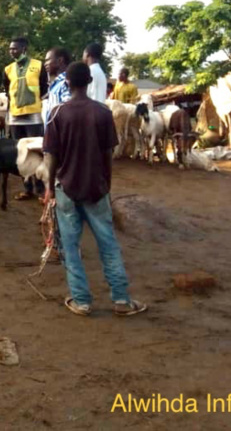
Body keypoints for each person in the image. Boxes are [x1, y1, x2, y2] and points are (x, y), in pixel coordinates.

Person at [43, 62, 147, 317]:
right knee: (108, 244)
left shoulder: (57, 113)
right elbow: (107, 155)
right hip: (97, 188)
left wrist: (48, 187)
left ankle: (81, 301)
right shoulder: (102, 113)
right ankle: (121, 300)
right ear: (89, 81)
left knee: (70, 246)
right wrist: (106, 185)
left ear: (67, 83)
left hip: (65, 188)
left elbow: (50, 158)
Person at [3, 37, 48, 200]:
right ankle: (27, 189)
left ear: (24, 49)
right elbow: (7, 91)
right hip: (15, 118)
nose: (12, 51)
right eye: (10, 49)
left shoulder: (38, 66)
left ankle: (41, 189)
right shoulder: (8, 69)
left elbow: (44, 88)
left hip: (34, 118)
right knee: (21, 154)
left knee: (37, 153)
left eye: (15, 48)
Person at [42, 47, 72, 126]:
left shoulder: (65, 83)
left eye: (48, 60)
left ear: (60, 60)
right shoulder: (56, 84)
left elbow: (67, 113)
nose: (45, 64)